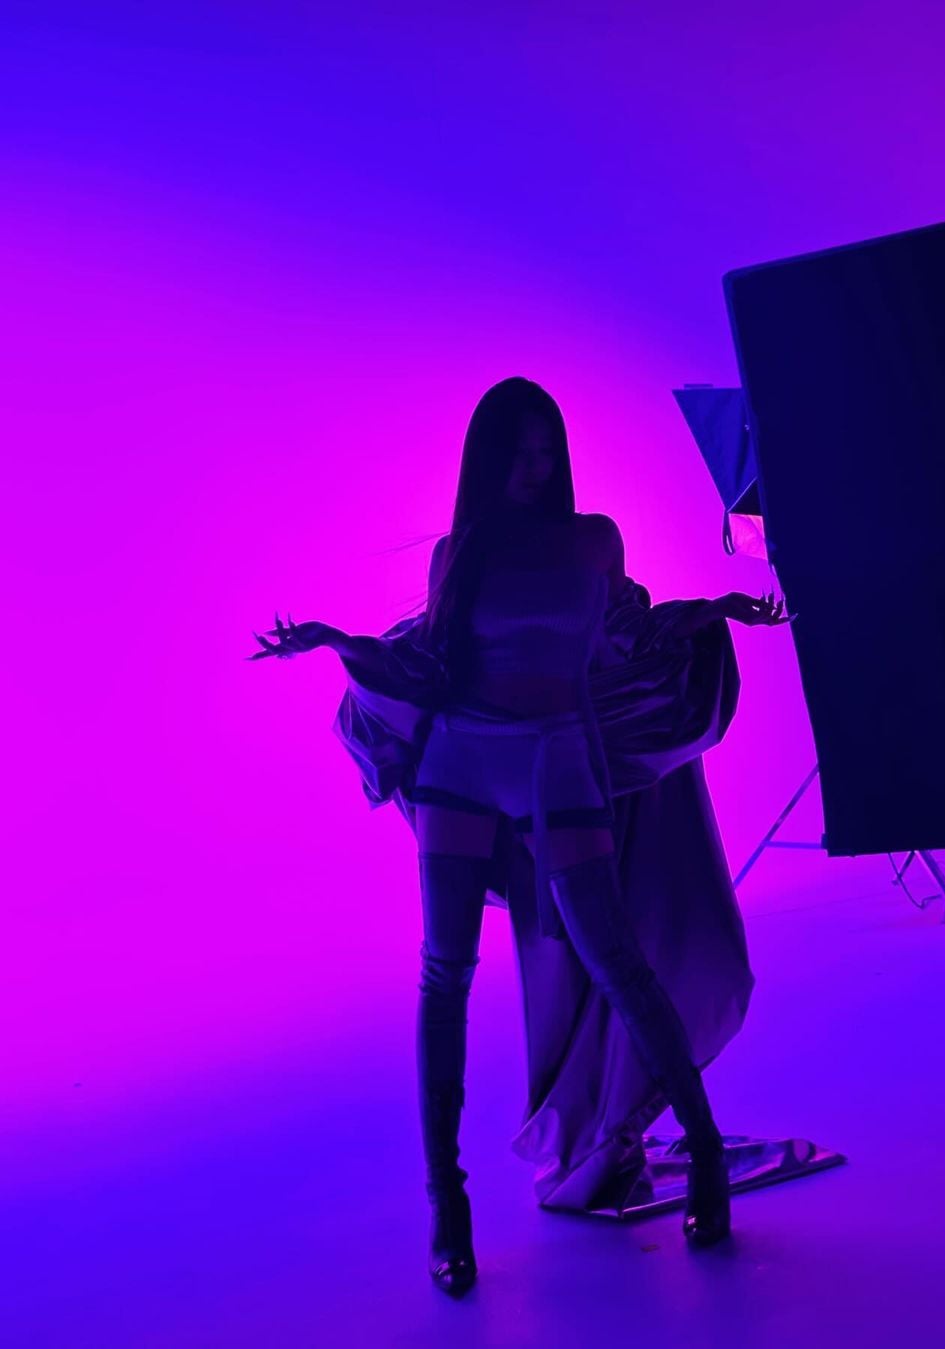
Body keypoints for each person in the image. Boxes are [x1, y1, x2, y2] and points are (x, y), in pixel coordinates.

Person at [249, 376, 790, 1297]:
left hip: (558, 755)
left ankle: (704, 1153)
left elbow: (628, 631)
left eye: (547, 452)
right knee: (443, 976)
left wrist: (715, 612)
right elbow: (429, 663)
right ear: (488, 457)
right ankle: (447, 1206)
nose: (535, 469)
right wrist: (339, 642)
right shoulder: (459, 554)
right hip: (462, 762)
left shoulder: (593, 539)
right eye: (518, 452)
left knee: (617, 959)